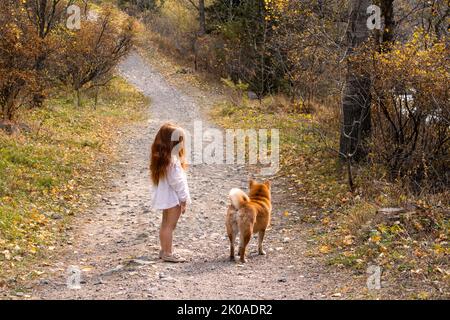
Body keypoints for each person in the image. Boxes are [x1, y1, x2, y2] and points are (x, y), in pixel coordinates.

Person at [150, 123, 191, 262]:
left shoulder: (161, 159)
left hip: (166, 198)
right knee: (170, 226)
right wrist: (184, 199)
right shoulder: (172, 162)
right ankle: (168, 253)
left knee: (165, 224)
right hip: (173, 199)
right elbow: (178, 183)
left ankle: (163, 250)